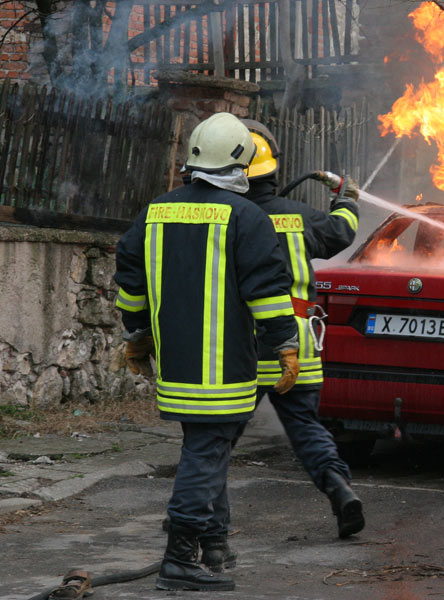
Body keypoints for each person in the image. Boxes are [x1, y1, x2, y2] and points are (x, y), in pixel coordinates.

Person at [114, 112, 300, 591]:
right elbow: (269, 292)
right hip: (225, 369)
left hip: (176, 365)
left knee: (206, 449)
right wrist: (286, 344)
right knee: (206, 452)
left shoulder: (155, 212)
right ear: (241, 160)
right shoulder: (248, 217)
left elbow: (131, 282)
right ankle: (179, 560)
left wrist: (138, 334)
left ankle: (214, 545)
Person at [240, 118, 365, 538]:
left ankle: (190, 507)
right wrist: (347, 198)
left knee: (218, 434)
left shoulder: (226, 219)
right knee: (306, 426)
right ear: (273, 169)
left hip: (244, 339)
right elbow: (342, 231)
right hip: (299, 340)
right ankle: (340, 489)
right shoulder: (298, 216)